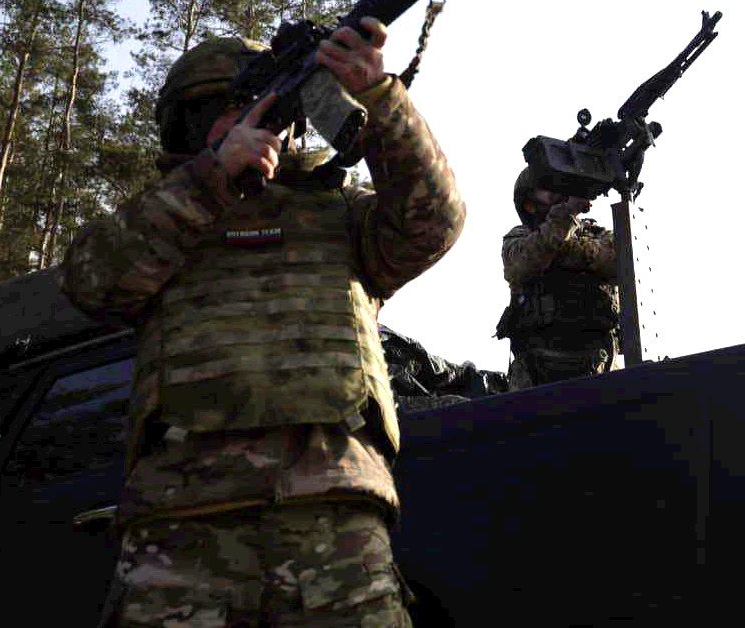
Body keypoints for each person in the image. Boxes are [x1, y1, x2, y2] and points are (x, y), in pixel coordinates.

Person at [59, 18, 464, 626]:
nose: (240, 121)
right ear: (186, 127)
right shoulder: (165, 216)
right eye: (215, 112)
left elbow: (433, 223)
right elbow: (93, 282)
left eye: (255, 105)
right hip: (180, 515)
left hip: (332, 504)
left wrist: (382, 98)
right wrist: (211, 179)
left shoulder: (340, 212)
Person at [494, 167, 619, 391]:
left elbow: (619, 263)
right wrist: (567, 215)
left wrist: (560, 249)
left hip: (600, 365)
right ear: (529, 204)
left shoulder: (599, 234)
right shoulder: (518, 237)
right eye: (546, 187)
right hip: (536, 373)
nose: (556, 191)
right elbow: (523, 263)